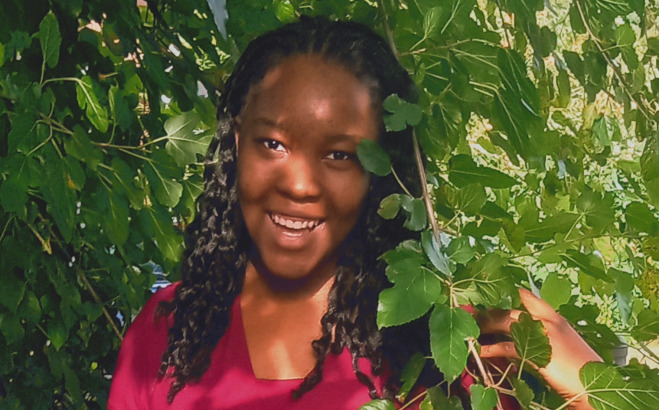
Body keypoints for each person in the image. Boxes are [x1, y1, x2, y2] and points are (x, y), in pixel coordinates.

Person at [107, 16, 601, 409]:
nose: (299, 184)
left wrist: (593, 390)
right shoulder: (168, 334)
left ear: (379, 172)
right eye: (273, 143)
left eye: (340, 155)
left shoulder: (446, 344)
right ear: (237, 144)